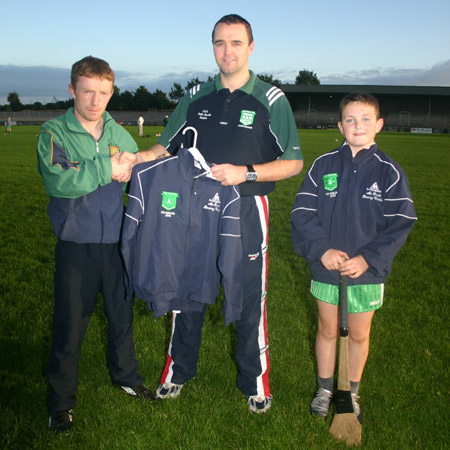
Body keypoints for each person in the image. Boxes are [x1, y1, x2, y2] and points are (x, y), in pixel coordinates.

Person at [124, 14, 303, 413]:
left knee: (248, 296)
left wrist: (246, 172)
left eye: (236, 43)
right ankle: (177, 372)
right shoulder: (194, 95)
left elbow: (293, 162)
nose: (228, 50)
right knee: (187, 289)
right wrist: (135, 158)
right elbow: (164, 148)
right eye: (220, 43)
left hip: (246, 207)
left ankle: (254, 382)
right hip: (194, 209)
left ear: (251, 47)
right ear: (213, 48)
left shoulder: (271, 100)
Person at [36, 56, 155, 434]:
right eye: (87, 91)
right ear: (72, 90)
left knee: (122, 319)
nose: (95, 100)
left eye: (103, 92)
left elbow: (138, 178)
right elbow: (60, 182)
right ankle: (60, 403)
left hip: (116, 245)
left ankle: (126, 377)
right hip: (76, 246)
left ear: (111, 92)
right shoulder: (54, 133)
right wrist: (107, 167)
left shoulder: (120, 135)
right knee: (69, 326)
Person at [291, 92, 417, 423]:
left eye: (365, 120)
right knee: (328, 329)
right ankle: (325, 388)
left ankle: (351, 392)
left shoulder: (389, 171)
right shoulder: (323, 165)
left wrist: (368, 258)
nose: (357, 126)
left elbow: (401, 221)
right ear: (339, 125)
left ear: (379, 125)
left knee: (359, 334)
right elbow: (302, 213)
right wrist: (322, 249)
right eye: (350, 119)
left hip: (367, 272)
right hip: (327, 267)